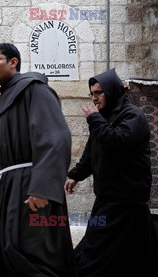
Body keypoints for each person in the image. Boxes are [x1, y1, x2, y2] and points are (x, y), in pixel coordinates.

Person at [0, 43, 77, 277]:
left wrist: (42, 189)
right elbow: (3, 150)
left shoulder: (35, 89)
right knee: (6, 247)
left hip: (34, 186)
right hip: (10, 186)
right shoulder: (6, 96)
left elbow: (56, 138)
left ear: (13, 62)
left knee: (32, 253)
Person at [65, 68, 158, 277]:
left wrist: (94, 119)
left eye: (99, 92)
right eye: (92, 94)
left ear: (112, 91)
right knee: (127, 253)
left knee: (96, 252)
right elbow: (92, 154)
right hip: (109, 197)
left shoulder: (132, 115)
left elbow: (117, 141)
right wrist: (75, 175)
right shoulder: (103, 117)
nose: (94, 98)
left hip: (126, 200)